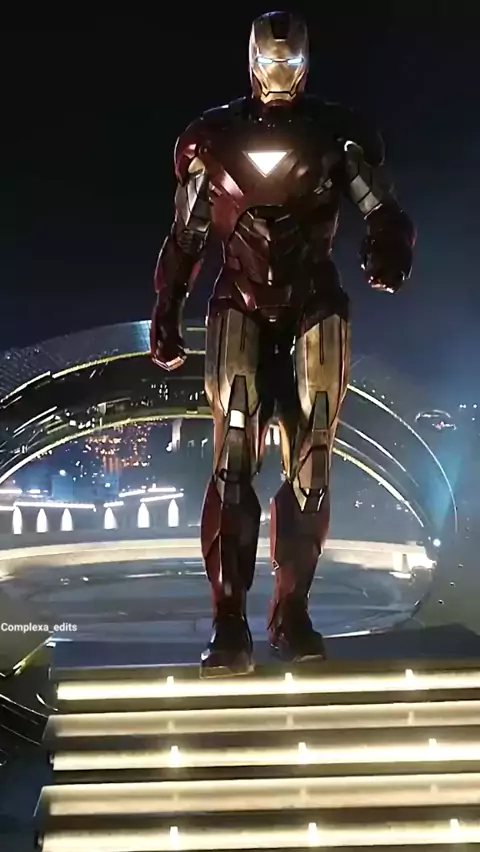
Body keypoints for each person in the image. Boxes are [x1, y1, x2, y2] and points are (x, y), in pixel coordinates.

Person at [151, 11, 415, 677]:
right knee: (234, 454)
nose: (278, 77)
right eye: (271, 65)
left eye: (287, 64)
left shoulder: (333, 134)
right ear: (253, 63)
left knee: (312, 456)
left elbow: (381, 208)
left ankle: (290, 612)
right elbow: (186, 234)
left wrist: (388, 248)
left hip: (312, 301)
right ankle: (230, 621)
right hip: (239, 301)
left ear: (302, 64)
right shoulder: (215, 139)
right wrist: (166, 307)